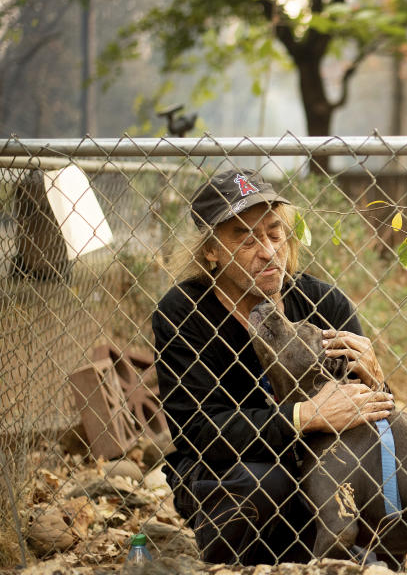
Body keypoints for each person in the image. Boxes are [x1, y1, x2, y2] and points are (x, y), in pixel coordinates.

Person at [154, 168, 394, 565]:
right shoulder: (184, 312)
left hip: (325, 467)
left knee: (367, 475)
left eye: (274, 233)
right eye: (245, 238)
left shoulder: (324, 303)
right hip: (230, 472)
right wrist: (305, 416)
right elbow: (198, 431)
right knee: (264, 479)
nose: (267, 250)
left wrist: (377, 380)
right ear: (210, 250)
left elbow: (374, 418)